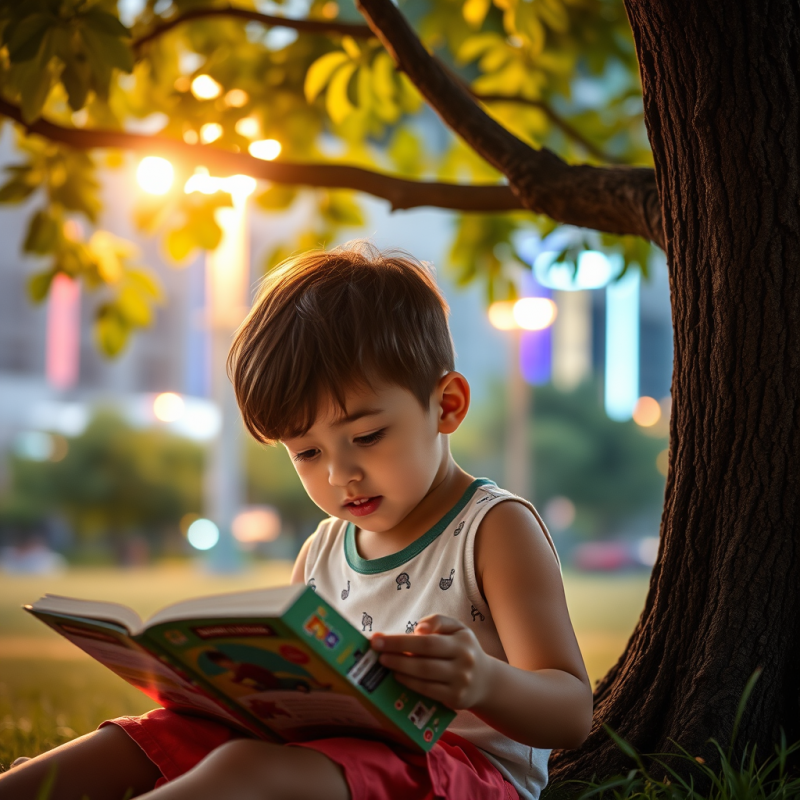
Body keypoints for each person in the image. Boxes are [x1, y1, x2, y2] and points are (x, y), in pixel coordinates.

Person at [0, 241, 592, 800]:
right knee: (157, 734)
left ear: (447, 405)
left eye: (367, 436)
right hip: (325, 756)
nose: (340, 475)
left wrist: (483, 681)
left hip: (459, 772)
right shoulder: (325, 546)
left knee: (246, 767)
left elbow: (571, 712)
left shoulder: (493, 529)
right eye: (306, 452)